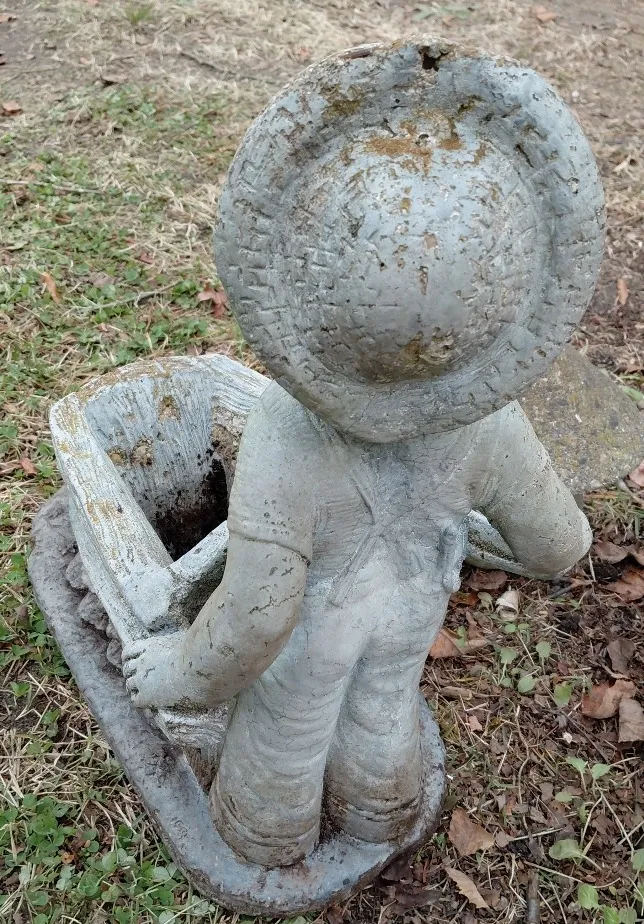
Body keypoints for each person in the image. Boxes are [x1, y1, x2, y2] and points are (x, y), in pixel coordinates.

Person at [122, 37, 603, 868]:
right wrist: (472, 537)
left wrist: (178, 673)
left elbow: (257, 619)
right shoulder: (490, 424)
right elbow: (558, 545)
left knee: (285, 734)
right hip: (410, 614)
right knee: (384, 712)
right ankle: (379, 811)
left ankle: (265, 837)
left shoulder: (288, 432)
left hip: (311, 634)